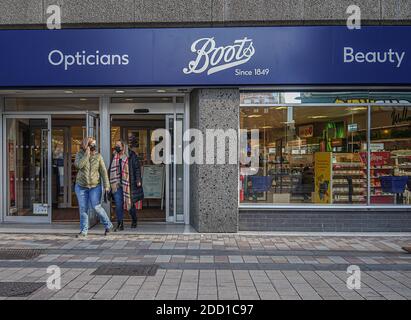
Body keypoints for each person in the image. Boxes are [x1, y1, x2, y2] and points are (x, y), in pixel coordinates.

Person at [74, 137, 113, 237]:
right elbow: (78, 166)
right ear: (86, 145)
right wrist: (86, 154)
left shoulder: (98, 156)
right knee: (83, 209)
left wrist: (107, 186)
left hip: (95, 186)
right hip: (81, 186)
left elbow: (103, 172)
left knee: (96, 207)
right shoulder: (79, 154)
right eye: (92, 144)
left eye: (95, 144)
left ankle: (108, 225)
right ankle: (84, 231)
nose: (94, 146)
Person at [109, 140, 144, 231]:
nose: (116, 147)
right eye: (115, 145)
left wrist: (138, 180)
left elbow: (137, 168)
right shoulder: (114, 156)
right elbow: (111, 169)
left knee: (130, 204)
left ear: (123, 146)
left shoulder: (131, 155)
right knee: (118, 204)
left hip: (128, 183)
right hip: (117, 184)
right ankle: (120, 224)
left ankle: (134, 219)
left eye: (118, 145)